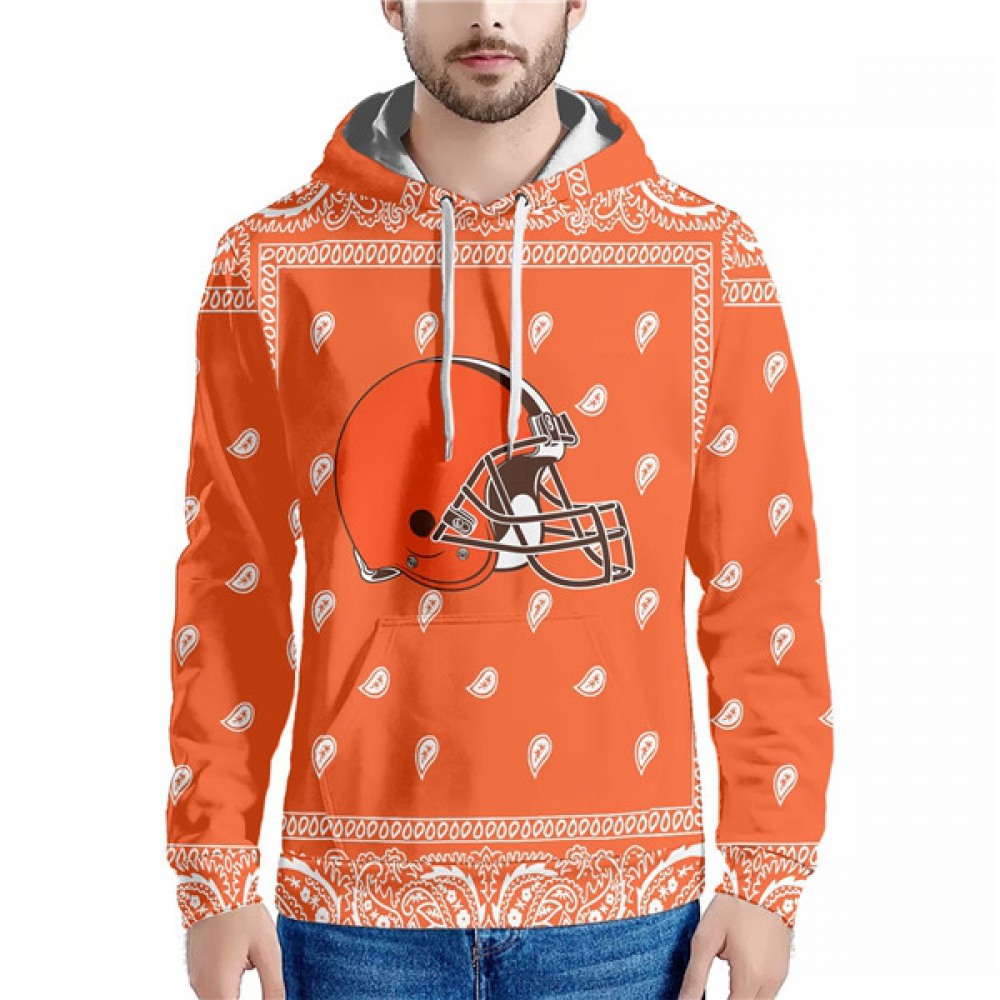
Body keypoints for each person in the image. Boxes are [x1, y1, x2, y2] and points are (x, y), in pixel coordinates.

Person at [164, 2, 835, 998]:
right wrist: (215, 872)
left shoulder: (707, 258)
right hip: (354, 916)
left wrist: (767, 872)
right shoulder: (270, 263)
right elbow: (231, 586)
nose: (488, 13)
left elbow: (763, 577)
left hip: (625, 919)